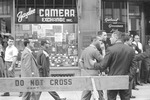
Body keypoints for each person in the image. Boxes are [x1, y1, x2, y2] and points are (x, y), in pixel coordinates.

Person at [94, 31, 137, 100]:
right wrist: (129, 77)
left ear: (116, 37)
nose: (110, 39)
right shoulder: (130, 50)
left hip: (113, 79)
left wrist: (93, 64)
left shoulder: (111, 49)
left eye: (111, 37)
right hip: (125, 78)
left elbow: (103, 65)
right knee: (125, 98)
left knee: (111, 98)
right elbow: (134, 66)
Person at [79, 36, 105, 100]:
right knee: (99, 92)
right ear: (94, 40)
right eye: (99, 40)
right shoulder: (95, 51)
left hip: (86, 73)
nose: (100, 42)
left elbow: (80, 61)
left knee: (86, 92)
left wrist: (84, 69)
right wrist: (103, 50)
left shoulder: (85, 49)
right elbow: (104, 61)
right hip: (94, 73)